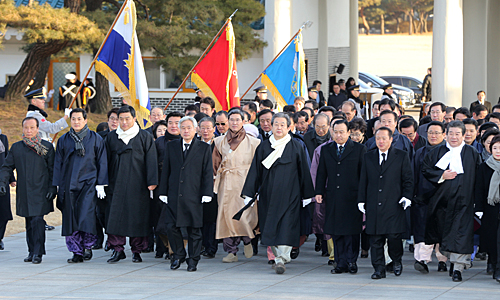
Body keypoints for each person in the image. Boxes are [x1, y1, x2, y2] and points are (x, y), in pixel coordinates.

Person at [242, 112, 315, 274]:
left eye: (283, 124)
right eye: (276, 124)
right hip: (268, 195)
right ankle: (277, 256)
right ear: (271, 126)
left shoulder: (296, 146)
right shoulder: (263, 147)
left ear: (289, 127)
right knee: (271, 227)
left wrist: (307, 195)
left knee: (287, 226)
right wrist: (249, 193)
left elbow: (304, 171)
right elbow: (255, 171)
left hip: (291, 195)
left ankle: (282, 259)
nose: (279, 127)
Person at [422, 120, 481, 282]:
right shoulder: (435, 152)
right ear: (445, 135)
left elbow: (479, 178)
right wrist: (441, 176)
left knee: (462, 234)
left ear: (464, 135)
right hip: (442, 202)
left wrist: (478, 202)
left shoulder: (472, 153)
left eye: (457, 134)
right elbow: (425, 170)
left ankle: (458, 267)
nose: (454, 137)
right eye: (451, 133)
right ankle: (451, 260)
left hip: (465, 202)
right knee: (444, 234)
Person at [52, 108, 108, 263]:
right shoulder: (64, 140)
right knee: (71, 218)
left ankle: (88, 246)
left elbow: (102, 162)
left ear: (85, 120)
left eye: (79, 119)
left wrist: (101, 183)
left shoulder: (96, 138)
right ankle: (76, 251)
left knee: (86, 216)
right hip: (68, 184)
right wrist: (55, 185)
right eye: (73, 119)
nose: (76, 122)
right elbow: (58, 163)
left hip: (89, 183)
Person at [158, 116, 213, 272]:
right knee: (171, 227)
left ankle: (193, 259)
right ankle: (178, 255)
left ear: (195, 130)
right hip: (174, 194)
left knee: (194, 230)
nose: (186, 130)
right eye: (183, 128)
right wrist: (163, 191)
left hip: (194, 195)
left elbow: (207, 172)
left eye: (189, 127)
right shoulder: (172, 146)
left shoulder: (203, 148)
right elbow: (166, 170)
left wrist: (206, 192)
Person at [104, 105, 158, 263]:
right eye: (121, 119)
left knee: (137, 217)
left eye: (127, 118)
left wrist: (152, 181)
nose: (124, 122)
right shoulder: (112, 137)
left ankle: (137, 250)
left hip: (138, 184)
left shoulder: (144, 136)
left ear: (134, 119)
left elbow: (151, 160)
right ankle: (117, 249)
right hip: (116, 183)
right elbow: (105, 161)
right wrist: (103, 182)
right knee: (114, 217)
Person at [358, 127, 413, 280]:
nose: (381, 141)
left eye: (384, 138)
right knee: (375, 239)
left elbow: (408, 179)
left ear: (391, 140)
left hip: (394, 204)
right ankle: (378, 269)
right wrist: (361, 200)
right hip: (373, 204)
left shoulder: (401, 156)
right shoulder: (368, 157)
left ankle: (396, 260)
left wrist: (407, 197)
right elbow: (363, 180)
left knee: (394, 236)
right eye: (378, 138)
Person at [0, 117, 56, 264]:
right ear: (22, 128)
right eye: (26, 128)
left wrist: (52, 188)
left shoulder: (46, 148)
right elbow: (7, 167)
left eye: (32, 128)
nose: (29, 131)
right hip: (24, 191)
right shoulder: (17, 147)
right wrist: (2, 181)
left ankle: (38, 252)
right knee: (29, 222)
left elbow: (53, 170)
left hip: (41, 191)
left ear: (38, 129)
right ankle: (31, 251)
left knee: (38, 220)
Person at [315, 119, 366, 274]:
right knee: (336, 231)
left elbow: (363, 175)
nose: (338, 135)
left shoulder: (359, 149)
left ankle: (352, 261)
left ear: (348, 133)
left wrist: (362, 196)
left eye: (342, 132)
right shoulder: (326, 149)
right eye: (335, 132)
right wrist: (318, 192)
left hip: (352, 197)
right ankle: (340, 262)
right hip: (333, 196)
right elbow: (321, 172)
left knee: (351, 232)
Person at [213, 110, 260, 263]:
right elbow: (215, 164)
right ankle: (231, 251)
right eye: (231, 120)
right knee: (226, 217)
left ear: (244, 121)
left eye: (237, 120)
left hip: (245, 182)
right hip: (226, 183)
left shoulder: (254, 142)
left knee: (245, 215)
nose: (234, 123)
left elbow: (257, 166)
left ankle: (247, 240)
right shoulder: (219, 141)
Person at [412, 121, 447, 274]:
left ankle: (442, 260)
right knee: (422, 230)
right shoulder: (420, 151)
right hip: (422, 197)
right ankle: (422, 260)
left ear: (444, 135)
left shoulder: (449, 152)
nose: (433, 135)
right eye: (430, 132)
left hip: (442, 197)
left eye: (436, 133)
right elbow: (413, 174)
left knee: (441, 229)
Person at [475, 134, 500, 281]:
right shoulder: (485, 166)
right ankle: (492, 262)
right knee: (492, 238)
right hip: (490, 208)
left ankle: (497, 269)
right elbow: (479, 189)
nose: (498, 151)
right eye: (495, 148)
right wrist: (479, 209)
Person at [0, 130, 14, 250]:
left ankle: (0, 238)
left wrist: (11, 178)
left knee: (3, 212)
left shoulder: (3, 138)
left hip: (2, 180)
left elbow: (7, 158)